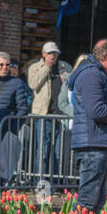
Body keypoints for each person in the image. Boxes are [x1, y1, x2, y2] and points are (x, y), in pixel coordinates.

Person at [68, 39, 107, 213]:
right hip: (93, 144)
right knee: (88, 201)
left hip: (98, 142)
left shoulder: (98, 74)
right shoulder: (92, 75)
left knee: (97, 200)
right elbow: (96, 110)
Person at [0, 51, 32, 187]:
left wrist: (13, 126)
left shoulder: (17, 83)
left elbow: (22, 108)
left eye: (7, 65)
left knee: (0, 166)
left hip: (5, 130)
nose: (5, 67)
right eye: (1, 64)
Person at [27, 40, 69, 187]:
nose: (53, 56)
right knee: (42, 150)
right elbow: (33, 84)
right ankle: (40, 183)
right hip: (43, 115)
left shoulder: (63, 68)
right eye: (50, 53)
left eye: (55, 53)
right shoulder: (35, 67)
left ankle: (56, 183)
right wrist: (47, 67)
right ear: (43, 54)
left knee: (59, 151)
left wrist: (66, 79)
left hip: (60, 115)